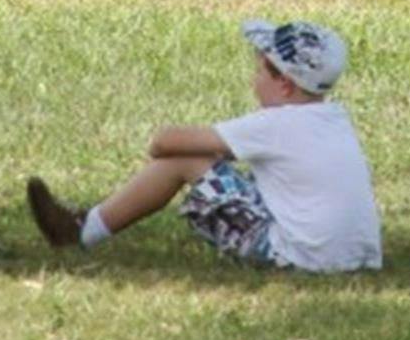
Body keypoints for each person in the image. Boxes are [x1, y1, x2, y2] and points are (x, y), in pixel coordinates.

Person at [26, 19, 381, 273]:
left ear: (285, 85)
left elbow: (165, 143)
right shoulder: (335, 119)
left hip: (300, 257)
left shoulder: (274, 124)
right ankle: (84, 225)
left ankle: (81, 231)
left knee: (183, 162)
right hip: (357, 258)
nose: (253, 80)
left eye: (259, 71)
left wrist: (208, 152)